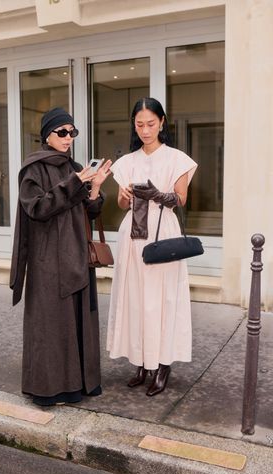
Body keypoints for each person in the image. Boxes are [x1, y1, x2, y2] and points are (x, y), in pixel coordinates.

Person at [10, 107, 111, 406]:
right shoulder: (34, 169)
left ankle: (78, 385)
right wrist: (75, 182)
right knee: (51, 325)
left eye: (72, 132)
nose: (68, 138)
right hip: (48, 262)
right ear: (47, 135)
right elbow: (37, 208)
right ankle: (50, 389)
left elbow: (90, 213)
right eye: (62, 132)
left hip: (77, 256)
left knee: (77, 321)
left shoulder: (75, 167)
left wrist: (95, 188)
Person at [106, 97, 197, 396]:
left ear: (161, 122)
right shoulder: (127, 161)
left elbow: (181, 199)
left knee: (162, 300)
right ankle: (141, 362)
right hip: (132, 236)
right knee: (135, 299)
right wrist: (123, 194)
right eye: (139, 124)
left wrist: (158, 194)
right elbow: (122, 204)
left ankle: (162, 364)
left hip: (163, 235)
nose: (145, 130)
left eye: (151, 124)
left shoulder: (177, 159)